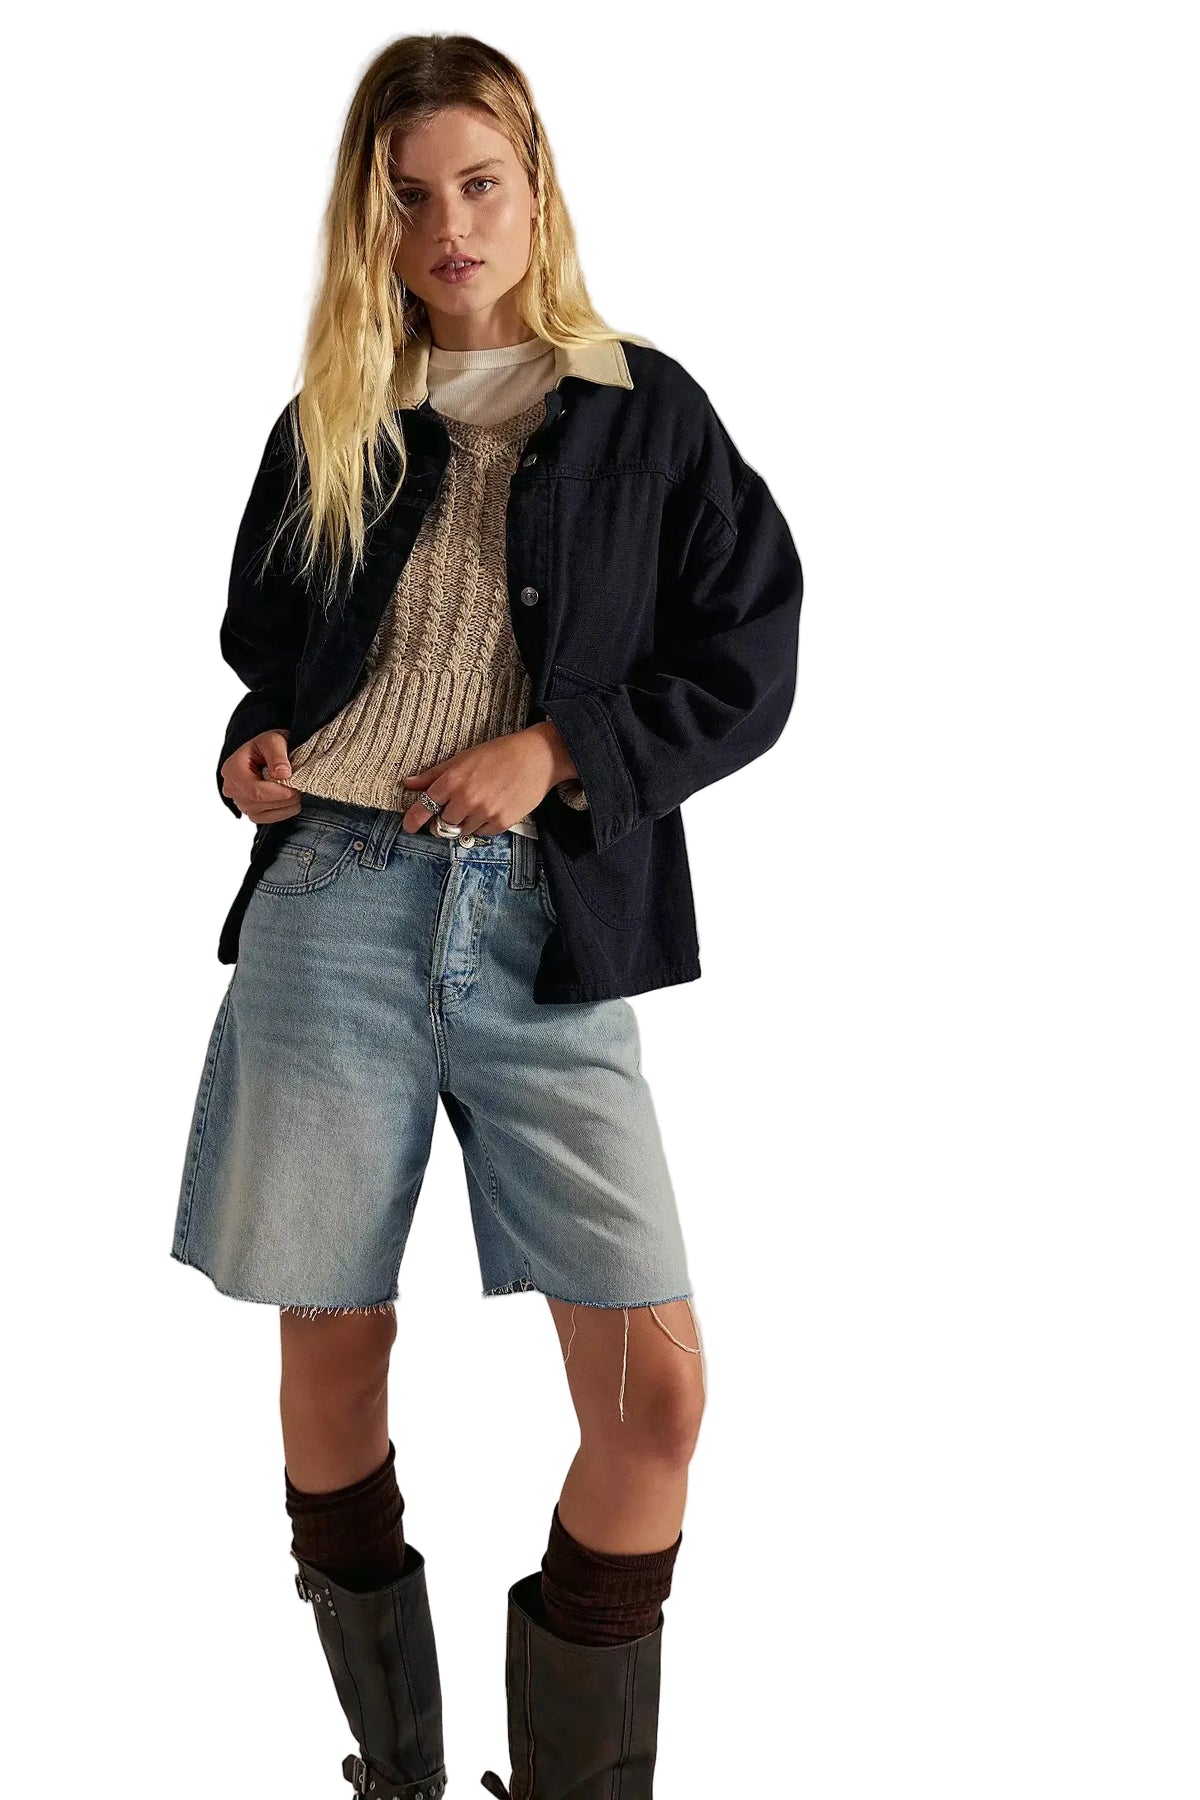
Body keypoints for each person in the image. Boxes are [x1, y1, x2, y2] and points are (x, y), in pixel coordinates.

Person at [170, 32, 803, 1800]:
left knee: (658, 1400)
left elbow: (750, 659)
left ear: (536, 191)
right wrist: (254, 751)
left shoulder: (645, 410)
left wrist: (560, 750)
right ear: (367, 223)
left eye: (478, 185)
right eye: (407, 199)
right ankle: (398, 1779)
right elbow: (269, 657)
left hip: (549, 931)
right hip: (332, 910)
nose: (446, 227)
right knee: (333, 1347)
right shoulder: (332, 420)